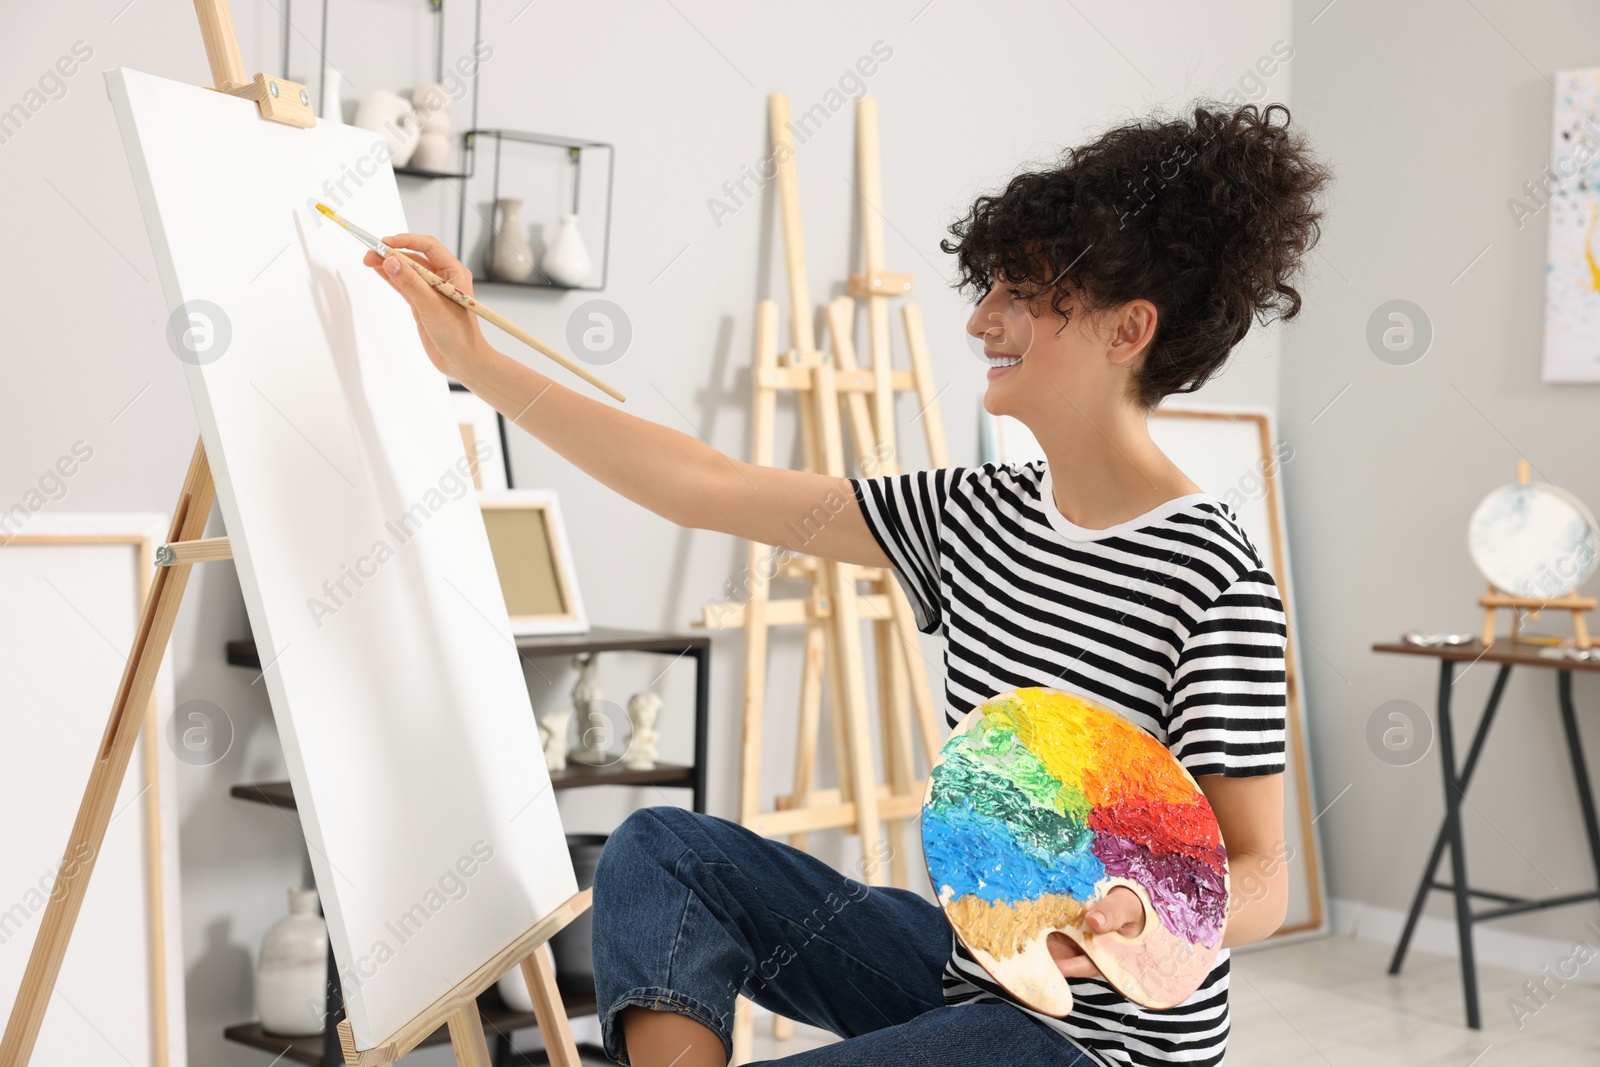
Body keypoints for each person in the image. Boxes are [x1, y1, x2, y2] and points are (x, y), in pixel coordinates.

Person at [364, 101, 1330, 1067]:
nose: (980, 317)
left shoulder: (1211, 577)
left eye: (1022, 293)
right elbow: (704, 485)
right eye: (988, 284)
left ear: (1129, 330)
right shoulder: (972, 515)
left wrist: (1132, 911)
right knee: (663, 851)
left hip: (1102, 1049)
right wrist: (470, 359)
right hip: (973, 980)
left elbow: (1262, 874)